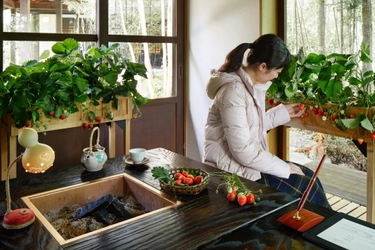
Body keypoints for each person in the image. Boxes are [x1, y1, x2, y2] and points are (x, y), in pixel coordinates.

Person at [203, 34, 331, 209]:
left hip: (245, 164)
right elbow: (243, 150)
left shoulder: (249, 87)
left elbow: (251, 125)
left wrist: (283, 113)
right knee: (309, 187)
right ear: (263, 66)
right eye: (277, 71)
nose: (277, 77)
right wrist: (285, 168)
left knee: (309, 176)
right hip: (232, 171)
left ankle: (322, 229)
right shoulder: (233, 92)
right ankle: (326, 231)